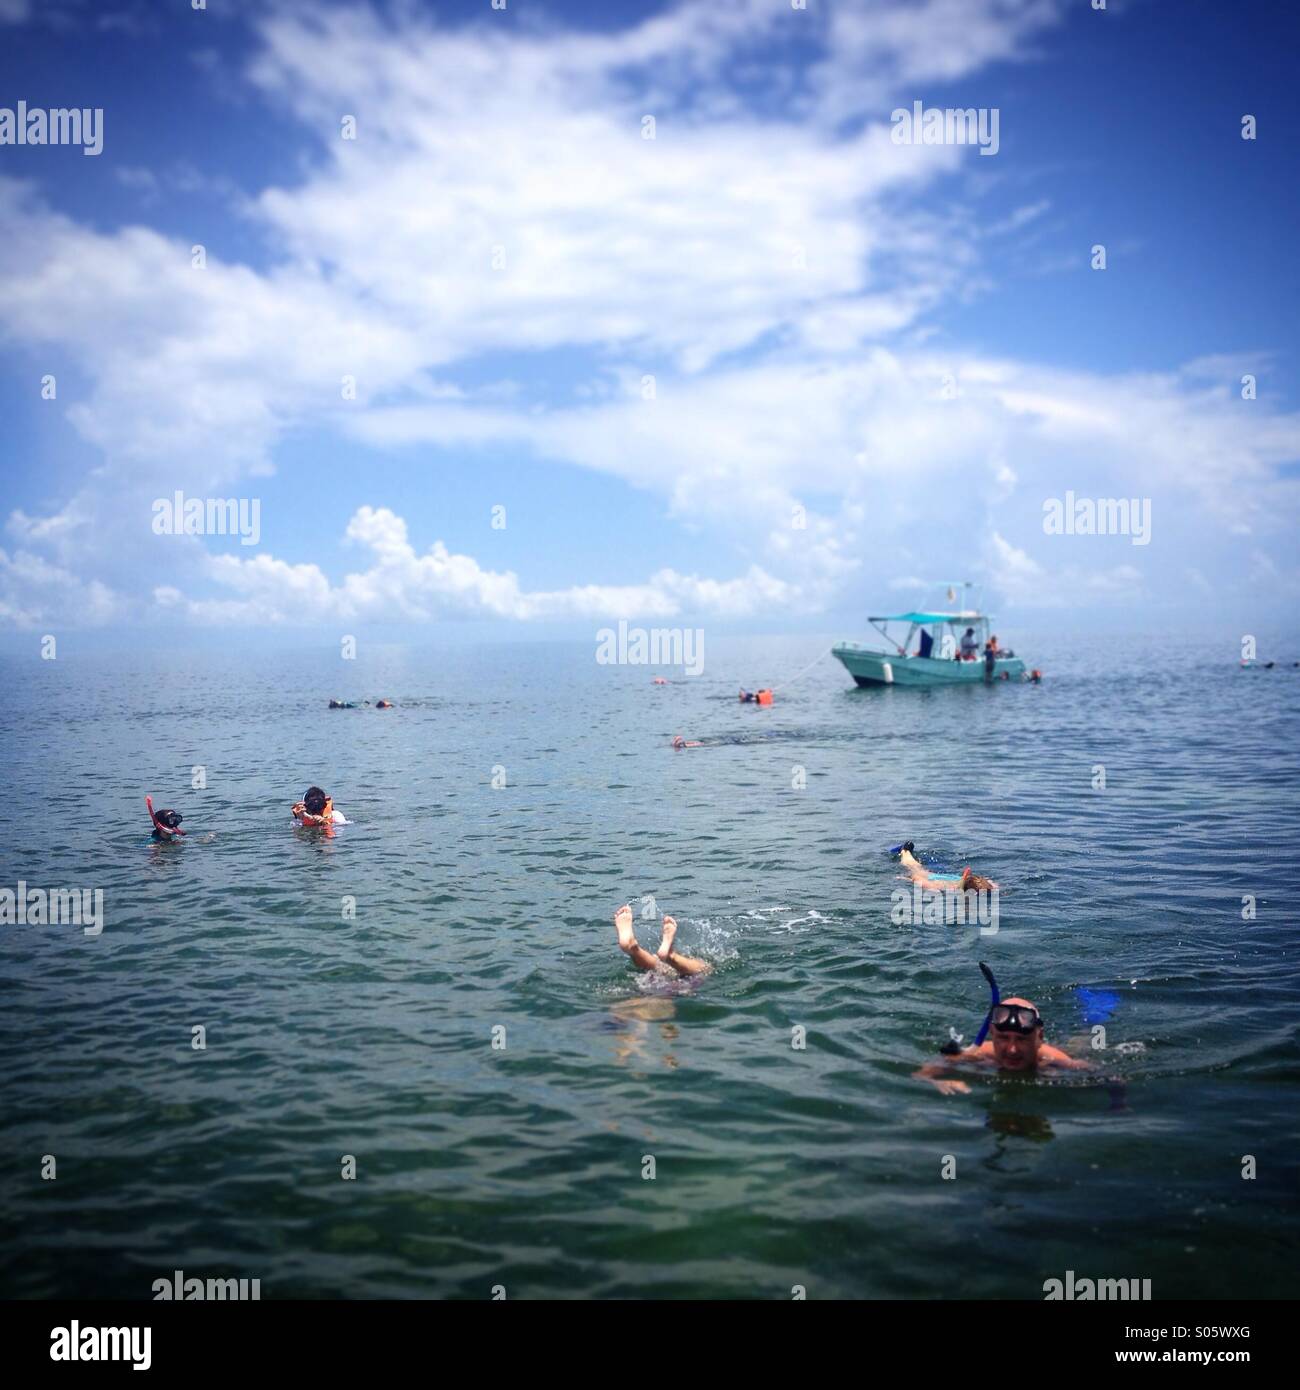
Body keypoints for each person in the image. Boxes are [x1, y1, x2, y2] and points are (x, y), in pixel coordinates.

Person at [914, 996, 1090, 1093]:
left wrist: (1117, 1106)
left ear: (1039, 1037)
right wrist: (938, 1081)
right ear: (992, 1034)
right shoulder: (979, 1053)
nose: (1012, 1050)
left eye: (1021, 1039)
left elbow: (1112, 1080)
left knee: (1078, 1043)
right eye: (1003, 1038)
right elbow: (921, 1074)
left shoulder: (1054, 1060)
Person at [613, 904, 712, 977]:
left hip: (640, 991)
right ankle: (670, 956)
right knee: (706, 969)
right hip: (675, 993)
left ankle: (634, 950)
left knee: (657, 969)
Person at [898, 842, 997, 893]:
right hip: (934, 877)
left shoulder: (989, 886)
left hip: (945, 878)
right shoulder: (946, 888)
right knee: (915, 868)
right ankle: (905, 850)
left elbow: (917, 879)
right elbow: (918, 878)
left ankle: (906, 850)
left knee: (918, 868)